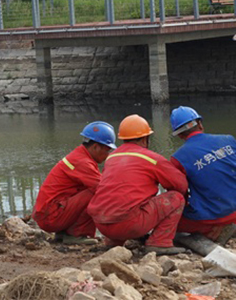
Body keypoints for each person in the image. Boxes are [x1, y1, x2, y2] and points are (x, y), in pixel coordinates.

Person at [87, 114, 188, 255]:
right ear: (145, 138)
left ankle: (113, 242)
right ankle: (160, 242)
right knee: (176, 198)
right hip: (129, 224)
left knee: (119, 201)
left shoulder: (112, 157)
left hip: (102, 224)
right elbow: (180, 185)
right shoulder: (151, 158)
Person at [32, 122, 117, 244]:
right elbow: (104, 189)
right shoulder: (82, 162)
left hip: (48, 214)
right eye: (107, 150)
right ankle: (77, 234)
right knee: (97, 193)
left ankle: (64, 233)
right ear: (96, 147)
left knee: (91, 190)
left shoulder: (79, 156)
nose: (107, 155)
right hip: (50, 217)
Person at [170, 106, 236, 245]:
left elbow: (179, 193)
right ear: (200, 124)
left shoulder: (178, 159)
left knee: (169, 220)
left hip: (212, 218)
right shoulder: (228, 140)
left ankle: (217, 227)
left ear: (180, 135)